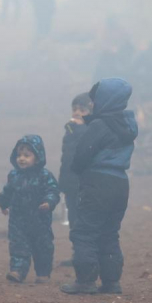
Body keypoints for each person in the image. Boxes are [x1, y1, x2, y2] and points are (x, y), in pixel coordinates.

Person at [61, 78, 138, 295]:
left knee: (85, 232)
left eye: (95, 100)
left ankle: (85, 281)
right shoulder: (126, 125)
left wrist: (77, 170)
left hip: (98, 183)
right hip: (121, 183)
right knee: (109, 233)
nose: (92, 104)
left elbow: (84, 153)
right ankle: (111, 282)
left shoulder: (99, 125)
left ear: (106, 100)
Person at [0, 135, 60, 284]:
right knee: (18, 245)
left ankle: (43, 273)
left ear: (37, 157)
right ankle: (18, 271)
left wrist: (48, 203)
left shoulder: (45, 175)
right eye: (19, 155)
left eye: (27, 155)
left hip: (40, 219)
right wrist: (3, 204)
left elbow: (52, 191)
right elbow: (7, 191)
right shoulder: (14, 175)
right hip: (18, 220)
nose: (22, 159)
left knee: (43, 247)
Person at [58, 93, 93, 231]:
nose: (77, 113)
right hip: (71, 183)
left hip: (85, 185)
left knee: (85, 218)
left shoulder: (91, 131)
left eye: (82, 110)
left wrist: (77, 129)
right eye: (74, 109)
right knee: (73, 218)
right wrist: (63, 183)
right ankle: (77, 248)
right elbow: (65, 159)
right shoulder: (70, 130)